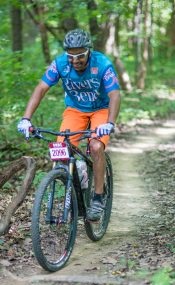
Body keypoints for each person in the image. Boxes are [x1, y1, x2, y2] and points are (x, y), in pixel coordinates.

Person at [17, 28, 121, 221]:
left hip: (100, 109)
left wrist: (110, 123)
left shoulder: (103, 64)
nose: (75, 61)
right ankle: (77, 179)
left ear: (88, 50)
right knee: (62, 150)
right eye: (70, 56)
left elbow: (115, 94)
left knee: (96, 146)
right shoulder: (60, 64)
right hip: (75, 110)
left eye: (80, 55)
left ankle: (98, 196)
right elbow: (41, 88)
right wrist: (26, 118)